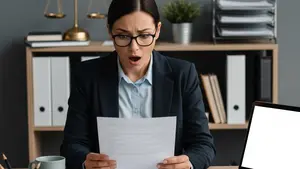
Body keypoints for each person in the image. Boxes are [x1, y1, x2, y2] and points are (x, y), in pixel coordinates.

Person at [60, 0, 216, 168]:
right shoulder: (87, 75)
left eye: (144, 36)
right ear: (109, 31)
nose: (134, 48)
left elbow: (203, 144)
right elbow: (71, 145)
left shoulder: (183, 74)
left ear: (157, 31)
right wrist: (86, 161)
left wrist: (189, 163)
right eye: (122, 36)